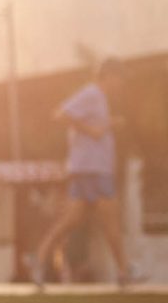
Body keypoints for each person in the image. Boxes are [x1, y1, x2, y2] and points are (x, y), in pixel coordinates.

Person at [31, 58, 138, 287]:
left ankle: (39, 259)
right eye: (119, 78)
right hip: (93, 170)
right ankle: (124, 271)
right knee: (111, 221)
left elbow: (96, 128)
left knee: (72, 220)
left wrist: (108, 124)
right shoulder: (91, 93)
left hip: (90, 168)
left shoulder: (99, 99)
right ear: (108, 76)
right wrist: (92, 129)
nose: (121, 84)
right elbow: (60, 114)